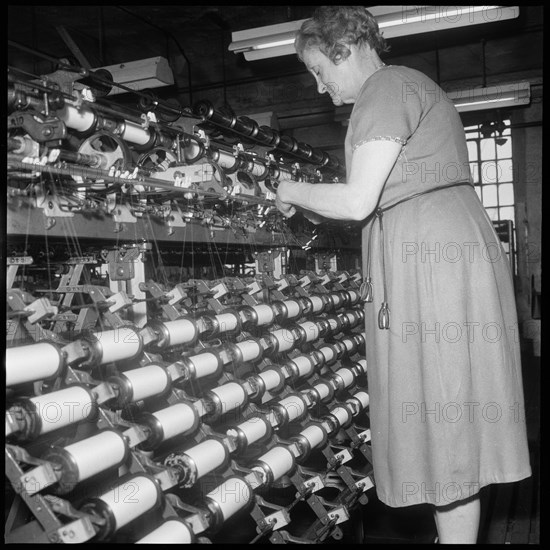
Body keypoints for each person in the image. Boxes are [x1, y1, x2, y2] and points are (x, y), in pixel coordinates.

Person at [275, 6, 532, 544]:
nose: (320, 89)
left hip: (432, 265)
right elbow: (375, 198)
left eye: (320, 71)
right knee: (452, 424)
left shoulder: (385, 88)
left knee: (444, 414)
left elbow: (358, 198)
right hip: (439, 255)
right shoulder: (409, 86)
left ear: (342, 49)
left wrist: (287, 189)